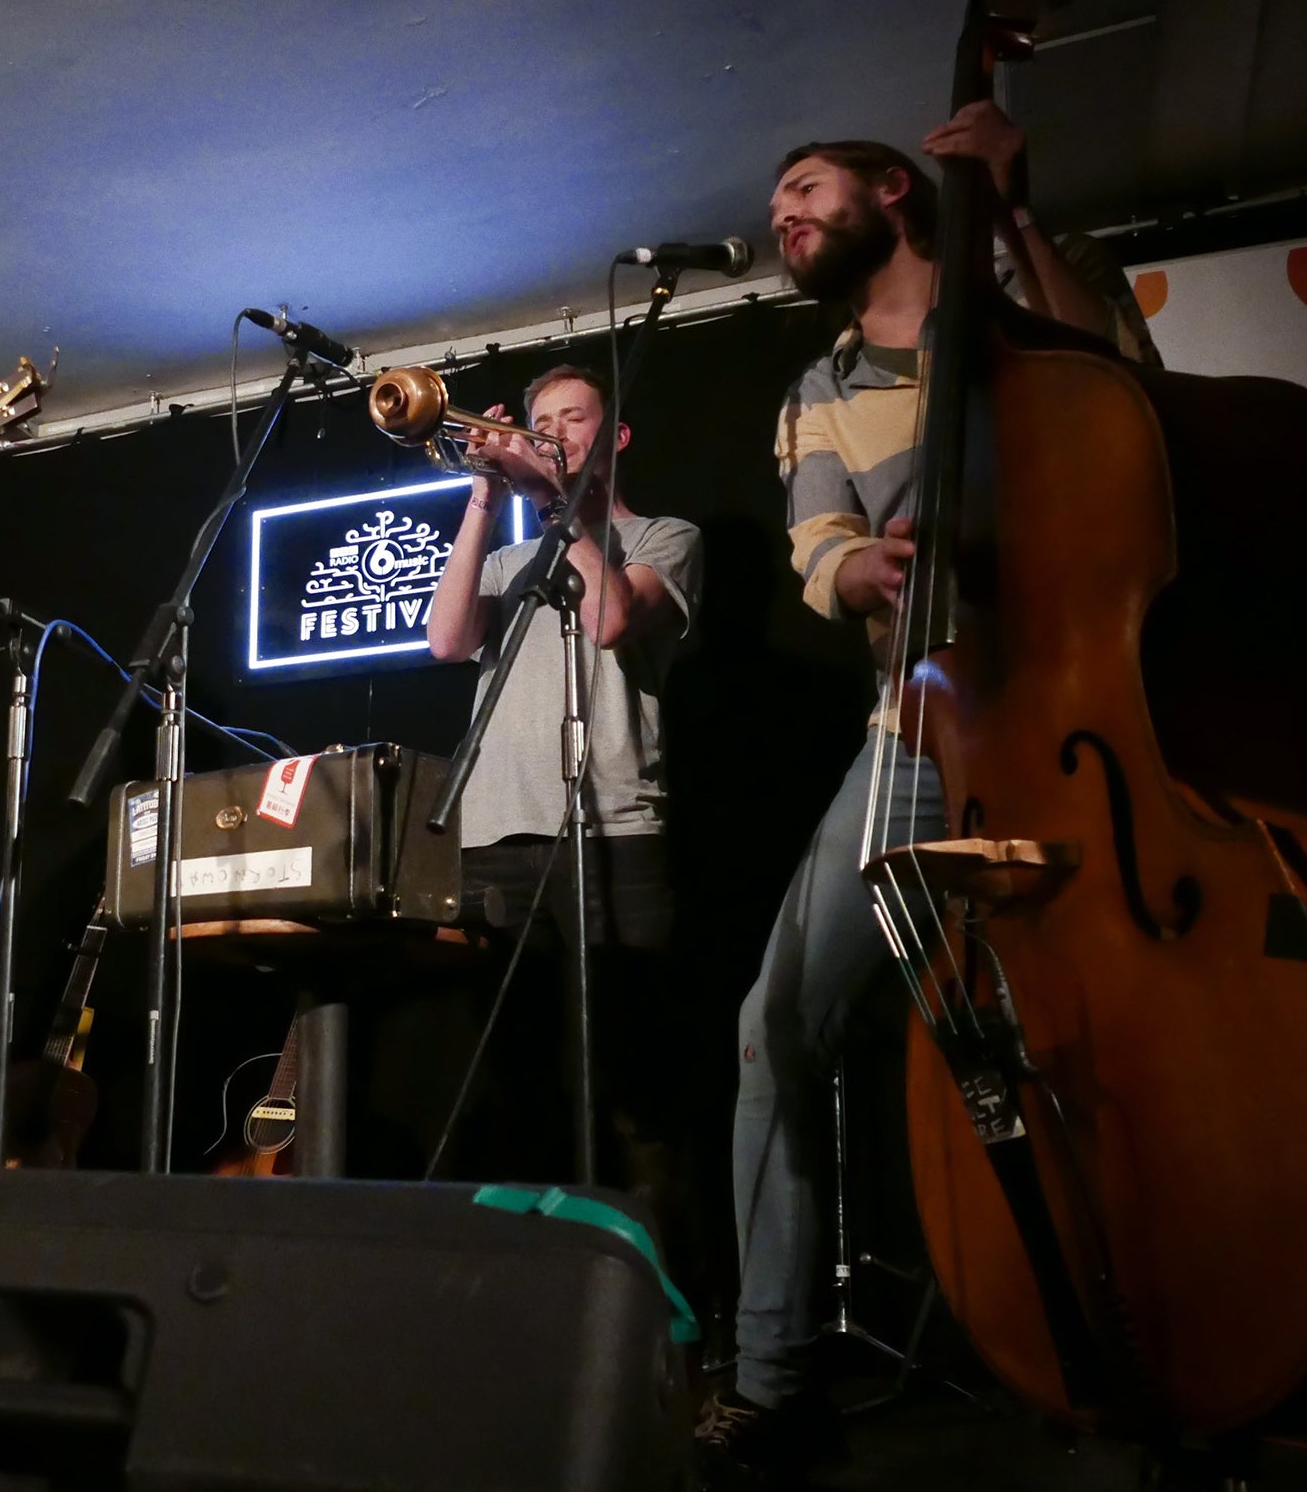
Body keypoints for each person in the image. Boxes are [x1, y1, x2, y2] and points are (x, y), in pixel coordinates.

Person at [695, 103, 1158, 1482]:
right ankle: (778, 1383)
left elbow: (1122, 378)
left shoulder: (1024, 290)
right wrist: (861, 574)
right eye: (776, 198)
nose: (783, 213)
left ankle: (1142, 1349)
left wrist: (1011, 215)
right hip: (919, 727)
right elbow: (817, 546)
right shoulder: (819, 387)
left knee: (1095, 1037)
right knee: (771, 1026)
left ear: (895, 190)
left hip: (1091, 716)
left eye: (807, 185)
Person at [424, 363, 702, 1191]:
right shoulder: (511, 559)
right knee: (515, 1090)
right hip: (497, 837)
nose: (552, 434)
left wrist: (553, 499)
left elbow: (611, 616)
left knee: (634, 1092)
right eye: (540, 421)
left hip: (614, 835)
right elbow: (444, 640)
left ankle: (666, 1301)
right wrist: (482, 491)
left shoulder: (665, 537)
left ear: (613, 439)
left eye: (572, 420)